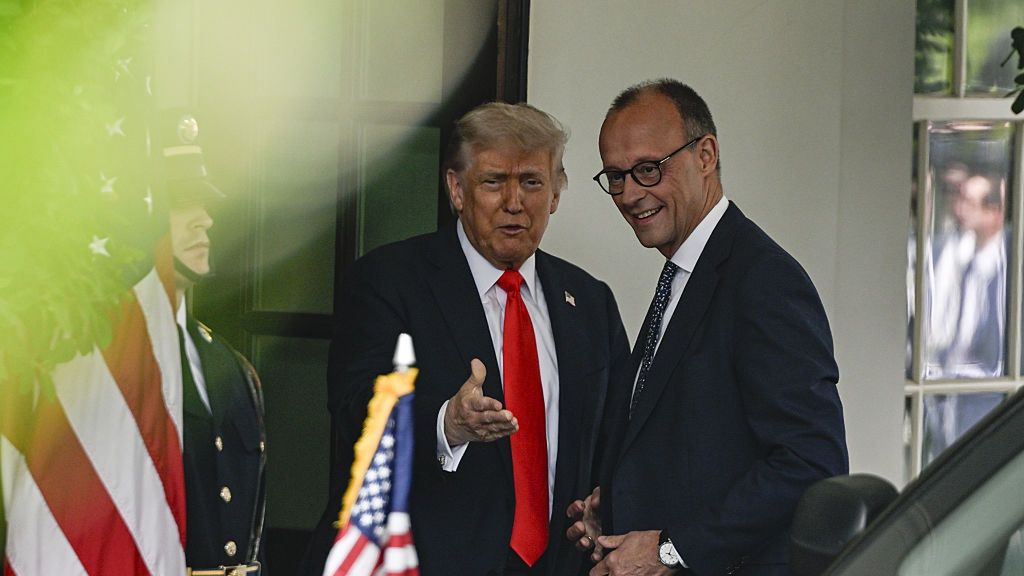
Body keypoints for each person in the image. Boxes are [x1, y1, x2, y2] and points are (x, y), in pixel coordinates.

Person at [304, 101, 630, 576]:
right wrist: (445, 422)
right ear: (457, 189)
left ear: (556, 193)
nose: (514, 202)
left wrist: (607, 506)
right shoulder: (389, 280)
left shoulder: (590, 302)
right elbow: (356, 407)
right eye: (494, 181)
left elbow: (613, 436)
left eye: (532, 182)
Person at [567, 79, 848, 575]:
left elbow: (811, 463)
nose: (631, 194)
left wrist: (669, 549)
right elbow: (696, 448)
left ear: (706, 155)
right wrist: (613, 512)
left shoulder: (763, 279)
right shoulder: (681, 275)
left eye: (648, 169)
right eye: (615, 176)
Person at [165, 111, 267, 574]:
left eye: (203, 204)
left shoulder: (230, 367)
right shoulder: (110, 365)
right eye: (180, 204)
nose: (203, 220)